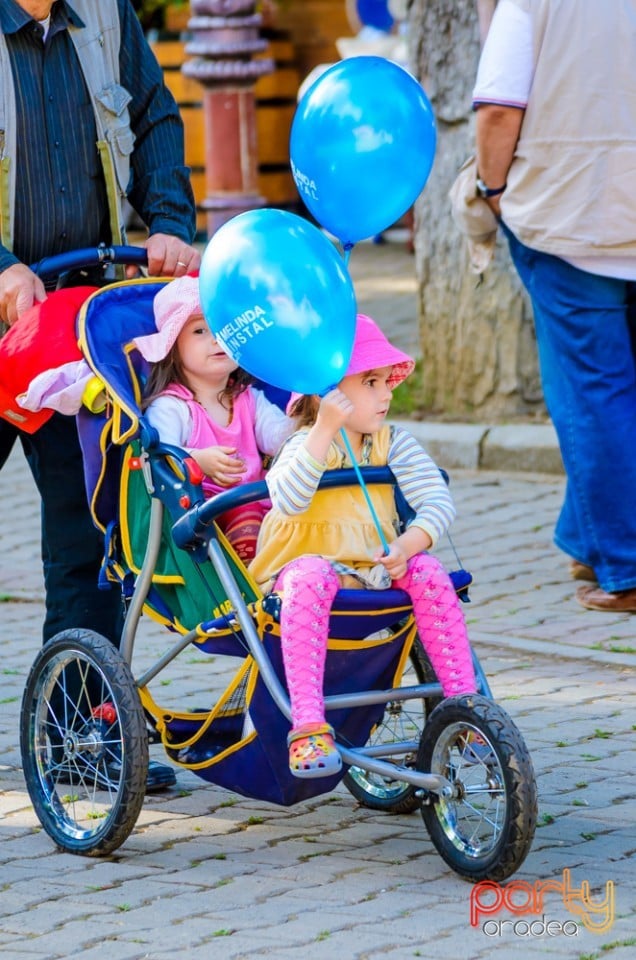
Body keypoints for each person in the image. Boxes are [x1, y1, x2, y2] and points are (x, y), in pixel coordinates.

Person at [0, 0, 200, 791]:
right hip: (4, 304)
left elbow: (154, 119)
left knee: (89, 535)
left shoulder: (109, 16)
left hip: (75, 324)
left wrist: (171, 221)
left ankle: (82, 731)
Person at [248, 314, 478, 778]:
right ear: (327, 393)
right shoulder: (304, 445)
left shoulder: (392, 443)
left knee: (430, 571)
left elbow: (436, 498)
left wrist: (409, 542)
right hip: (302, 570)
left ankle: (463, 705)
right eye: (371, 382)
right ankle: (309, 725)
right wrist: (324, 430)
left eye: (386, 381)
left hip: (372, 565)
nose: (387, 393)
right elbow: (288, 500)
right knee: (311, 575)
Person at [472, 0, 636, 613]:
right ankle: (585, 538)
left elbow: (497, 109)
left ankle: (624, 567)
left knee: (593, 395)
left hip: (569, 216)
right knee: (610, 394)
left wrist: (492, 190)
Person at [136, 277, 294, 560]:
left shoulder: (248, 398)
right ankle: (257, 584)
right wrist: (197, 460)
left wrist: (306, 416)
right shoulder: (171, 407)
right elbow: (160, 457)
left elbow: (278, 438)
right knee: (247, 515)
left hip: (260, 505)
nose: (217, 338)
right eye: (200, 330)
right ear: (172, 349)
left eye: (224, 328)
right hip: (204, 518)